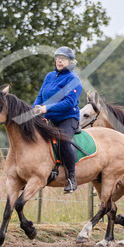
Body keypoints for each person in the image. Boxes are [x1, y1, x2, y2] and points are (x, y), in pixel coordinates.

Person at [32, 46, 83, 192]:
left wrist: (46, 108)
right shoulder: (49, 76)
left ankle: (72, 178)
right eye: (58, 58)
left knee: (64, 140)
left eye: (63, 59)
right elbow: (40, 95)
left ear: (71, 62)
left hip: (68, 118)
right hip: (49, 117)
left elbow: (69, 103)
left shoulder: (74, 79)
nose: (59, 61)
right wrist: (35, 108)